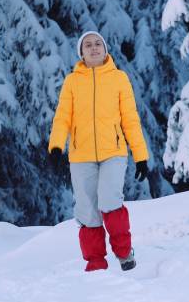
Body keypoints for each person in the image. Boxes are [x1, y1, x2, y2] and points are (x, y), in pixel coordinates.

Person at [47, 31, 150, 272]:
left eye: (98, 44)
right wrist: (55, 145)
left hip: (113, 152)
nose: (93, 48)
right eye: (88, 45)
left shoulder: (118, 78)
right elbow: (62, 117)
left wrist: (141, 155)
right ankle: (95, 263)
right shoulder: (72, 81)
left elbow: (130, 120)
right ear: (81, 53)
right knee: (86, 209)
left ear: (105, 49)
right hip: (80, 155)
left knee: (110, 199)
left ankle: (124, 253)